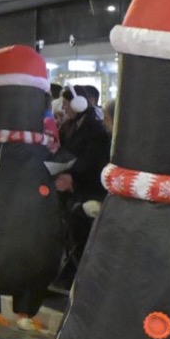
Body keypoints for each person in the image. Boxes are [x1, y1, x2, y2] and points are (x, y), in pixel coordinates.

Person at [55, 83, 111, 283]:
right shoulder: (69, 127)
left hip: (86, 191)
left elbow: (94, 163)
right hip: (68, 190)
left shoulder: (95, 131)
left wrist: (74, 180)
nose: (63, 108)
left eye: (66, 103)